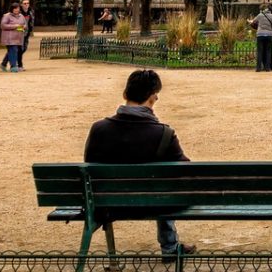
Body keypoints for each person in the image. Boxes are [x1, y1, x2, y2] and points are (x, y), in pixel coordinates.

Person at [84, 69, 195, 262]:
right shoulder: (163, 134)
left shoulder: (98, 129)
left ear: (125, 95)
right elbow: (185, 172)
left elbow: (89, 165)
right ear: (153, 98)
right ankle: (169, 246)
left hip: (107, 204)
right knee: (167, 184)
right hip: (154, 203)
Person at [250, 3, 272, 72]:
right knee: (268, 51)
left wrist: (251, 22)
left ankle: (258, 68)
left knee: (259, 51)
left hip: (260, 34)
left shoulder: (260, 15)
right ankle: (267, 68)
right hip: (269, 35)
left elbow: (254, 22)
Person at [0, 3, 27, 72]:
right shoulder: (7, 16)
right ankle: (13, 66)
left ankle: (3, 64)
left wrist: (23, 27)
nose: (17, 10)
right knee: (13, 50)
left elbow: (24, 24)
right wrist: (15, 26)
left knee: (11, 51)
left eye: (18, 8)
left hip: (18, 37)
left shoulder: (21, 16)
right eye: (15, 8)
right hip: (9, 38)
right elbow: (3, 25)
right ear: (12, 9)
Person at [17, 0, 35, 70]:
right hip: (19, 33)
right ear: (21, 4)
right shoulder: (18, 12)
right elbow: (16, 23)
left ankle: (12, 59)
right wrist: (20, 29)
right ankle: (19, 65)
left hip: (27, 33)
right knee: (20, 49)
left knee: (24, 48)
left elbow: (31, 21)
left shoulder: (30, 11)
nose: (26, 4)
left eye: (27, 3)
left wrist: (31, 29)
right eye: (24, 3)